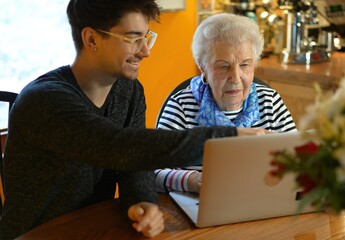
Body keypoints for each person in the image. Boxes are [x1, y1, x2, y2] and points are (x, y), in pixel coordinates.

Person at [0, 1, 268, 239]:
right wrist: (226, 137)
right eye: (132, 38)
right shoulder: (45, 100)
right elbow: (119, 145)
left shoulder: (129, 91)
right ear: (92, 39)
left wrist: (140, 202)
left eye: (146, 38)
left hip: (96, 230)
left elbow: (133, 164)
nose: (145, 52)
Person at [155, 13, 297, 193]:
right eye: (223, 66)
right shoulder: (181, 106)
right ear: (203, 67)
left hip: (261, 202)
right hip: (199, 206)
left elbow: (298, 158)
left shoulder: (270, 101)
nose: (236, 78)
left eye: (245, 65)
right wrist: (193, 180)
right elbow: (153, 172)